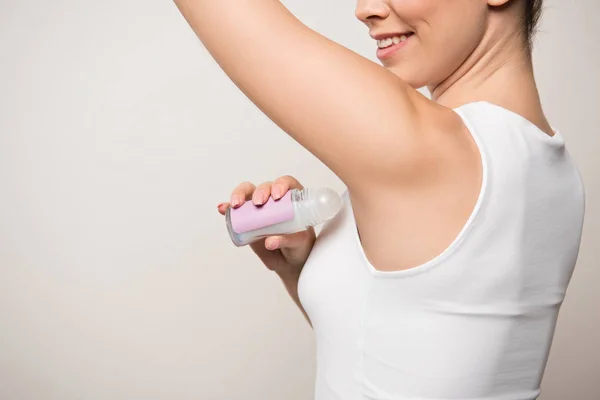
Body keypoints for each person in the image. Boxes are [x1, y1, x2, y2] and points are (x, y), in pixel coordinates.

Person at [174, 0, 586, 398]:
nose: (364, 8)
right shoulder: (554, 169)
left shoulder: (433, 149)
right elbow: (395, 358)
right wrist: (299, 271)